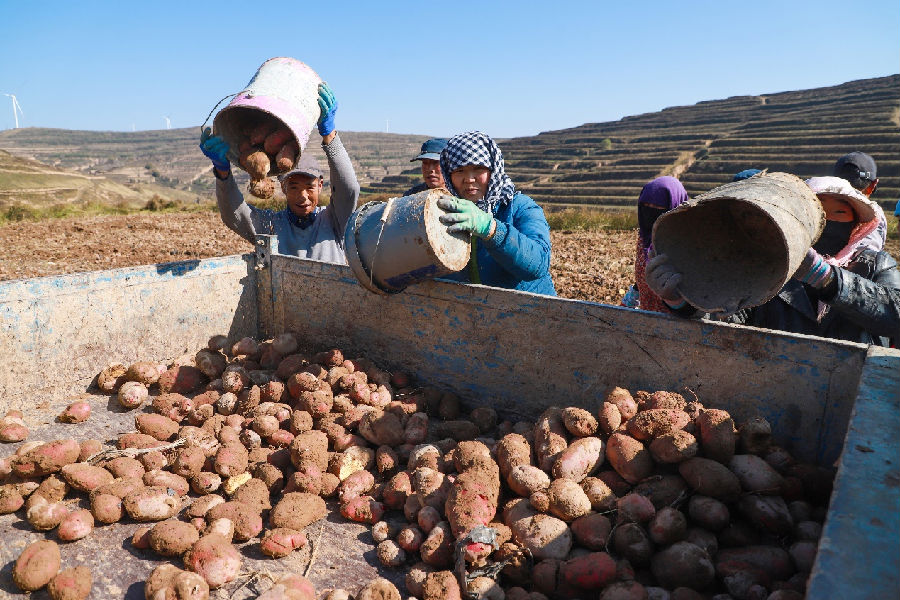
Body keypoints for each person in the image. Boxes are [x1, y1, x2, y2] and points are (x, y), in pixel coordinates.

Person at [645, 176, 900, 346]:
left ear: (855, 223)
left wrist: (825, 277)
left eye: (840, 212)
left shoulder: (875, 265)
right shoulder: (770, 265)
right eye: (820, 213)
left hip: (859, 393)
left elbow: (895, 314)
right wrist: (683, 303)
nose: (829, 220)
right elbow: (732, 319)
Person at [199, 83, 359, 264]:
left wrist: (330, 135)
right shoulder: (271, 225)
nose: (303, 196)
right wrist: (223, 172)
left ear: (320, 186)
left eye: (309, 187)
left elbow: (349, 189)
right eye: (294, 187)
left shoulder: (334, 220)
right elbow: (234, 215)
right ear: (283, 188)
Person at [435, 131, 556, 295]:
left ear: (493, 170)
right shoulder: (444, 213)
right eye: (459, 171)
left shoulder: (520, 207)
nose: (469, 179)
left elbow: (538, 265)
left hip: (528, 312)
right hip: (473, 313)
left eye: (478, 168)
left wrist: (490, 229)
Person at [622, 176, 688, 312]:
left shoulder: (690, 245)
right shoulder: (644, 238)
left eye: (659, 207)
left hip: (679, 325)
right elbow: (646, 273)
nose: (650, 212)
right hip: (648, 320)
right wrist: (632, 297)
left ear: (675, 206)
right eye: (646, 206)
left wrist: (676, 302)